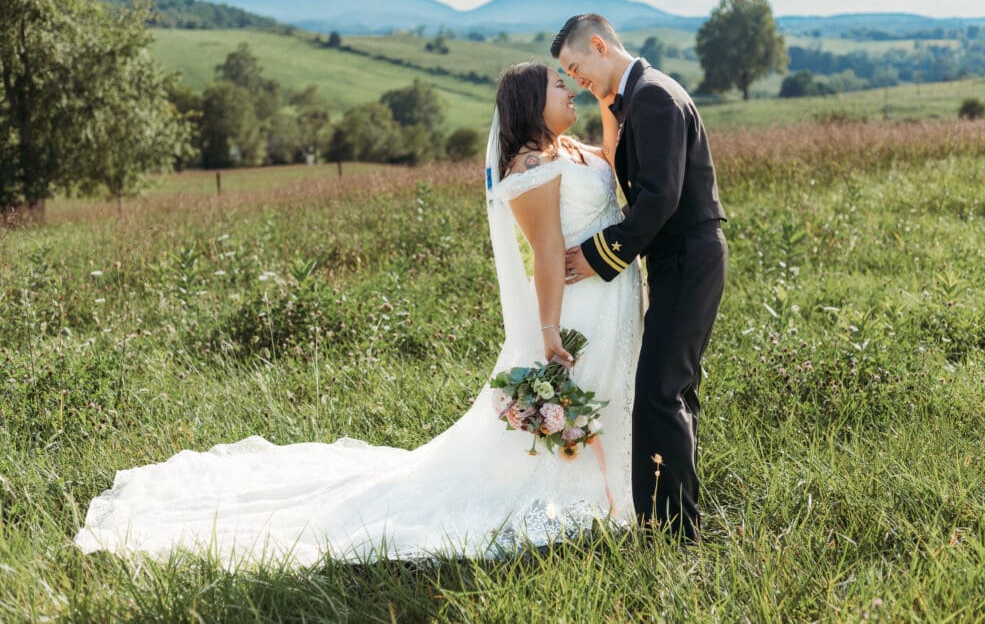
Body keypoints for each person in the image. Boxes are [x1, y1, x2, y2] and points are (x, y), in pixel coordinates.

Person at [74, 62, 644, 567]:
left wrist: (606, 101)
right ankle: (586, 497)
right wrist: (546, 333)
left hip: (608, 291)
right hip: (573, 306)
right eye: (556, 84)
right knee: (577, 406)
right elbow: (545, 251)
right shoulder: (529, 165)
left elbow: (614, 166)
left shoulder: (570, 151)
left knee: (612, 398)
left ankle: (615, 490)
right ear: (527, 102)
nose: (567, 88)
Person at [552, 14, 728, 543]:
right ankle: (678, 522)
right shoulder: (636, 98)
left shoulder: (652, 97)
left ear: (600, 45)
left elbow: (659, 198)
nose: (576, 80)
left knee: (658, 393)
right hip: (680, 258)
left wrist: (599, 255)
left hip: (687, 258)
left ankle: (672, 532)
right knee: (672, 390)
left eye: (576, 67)